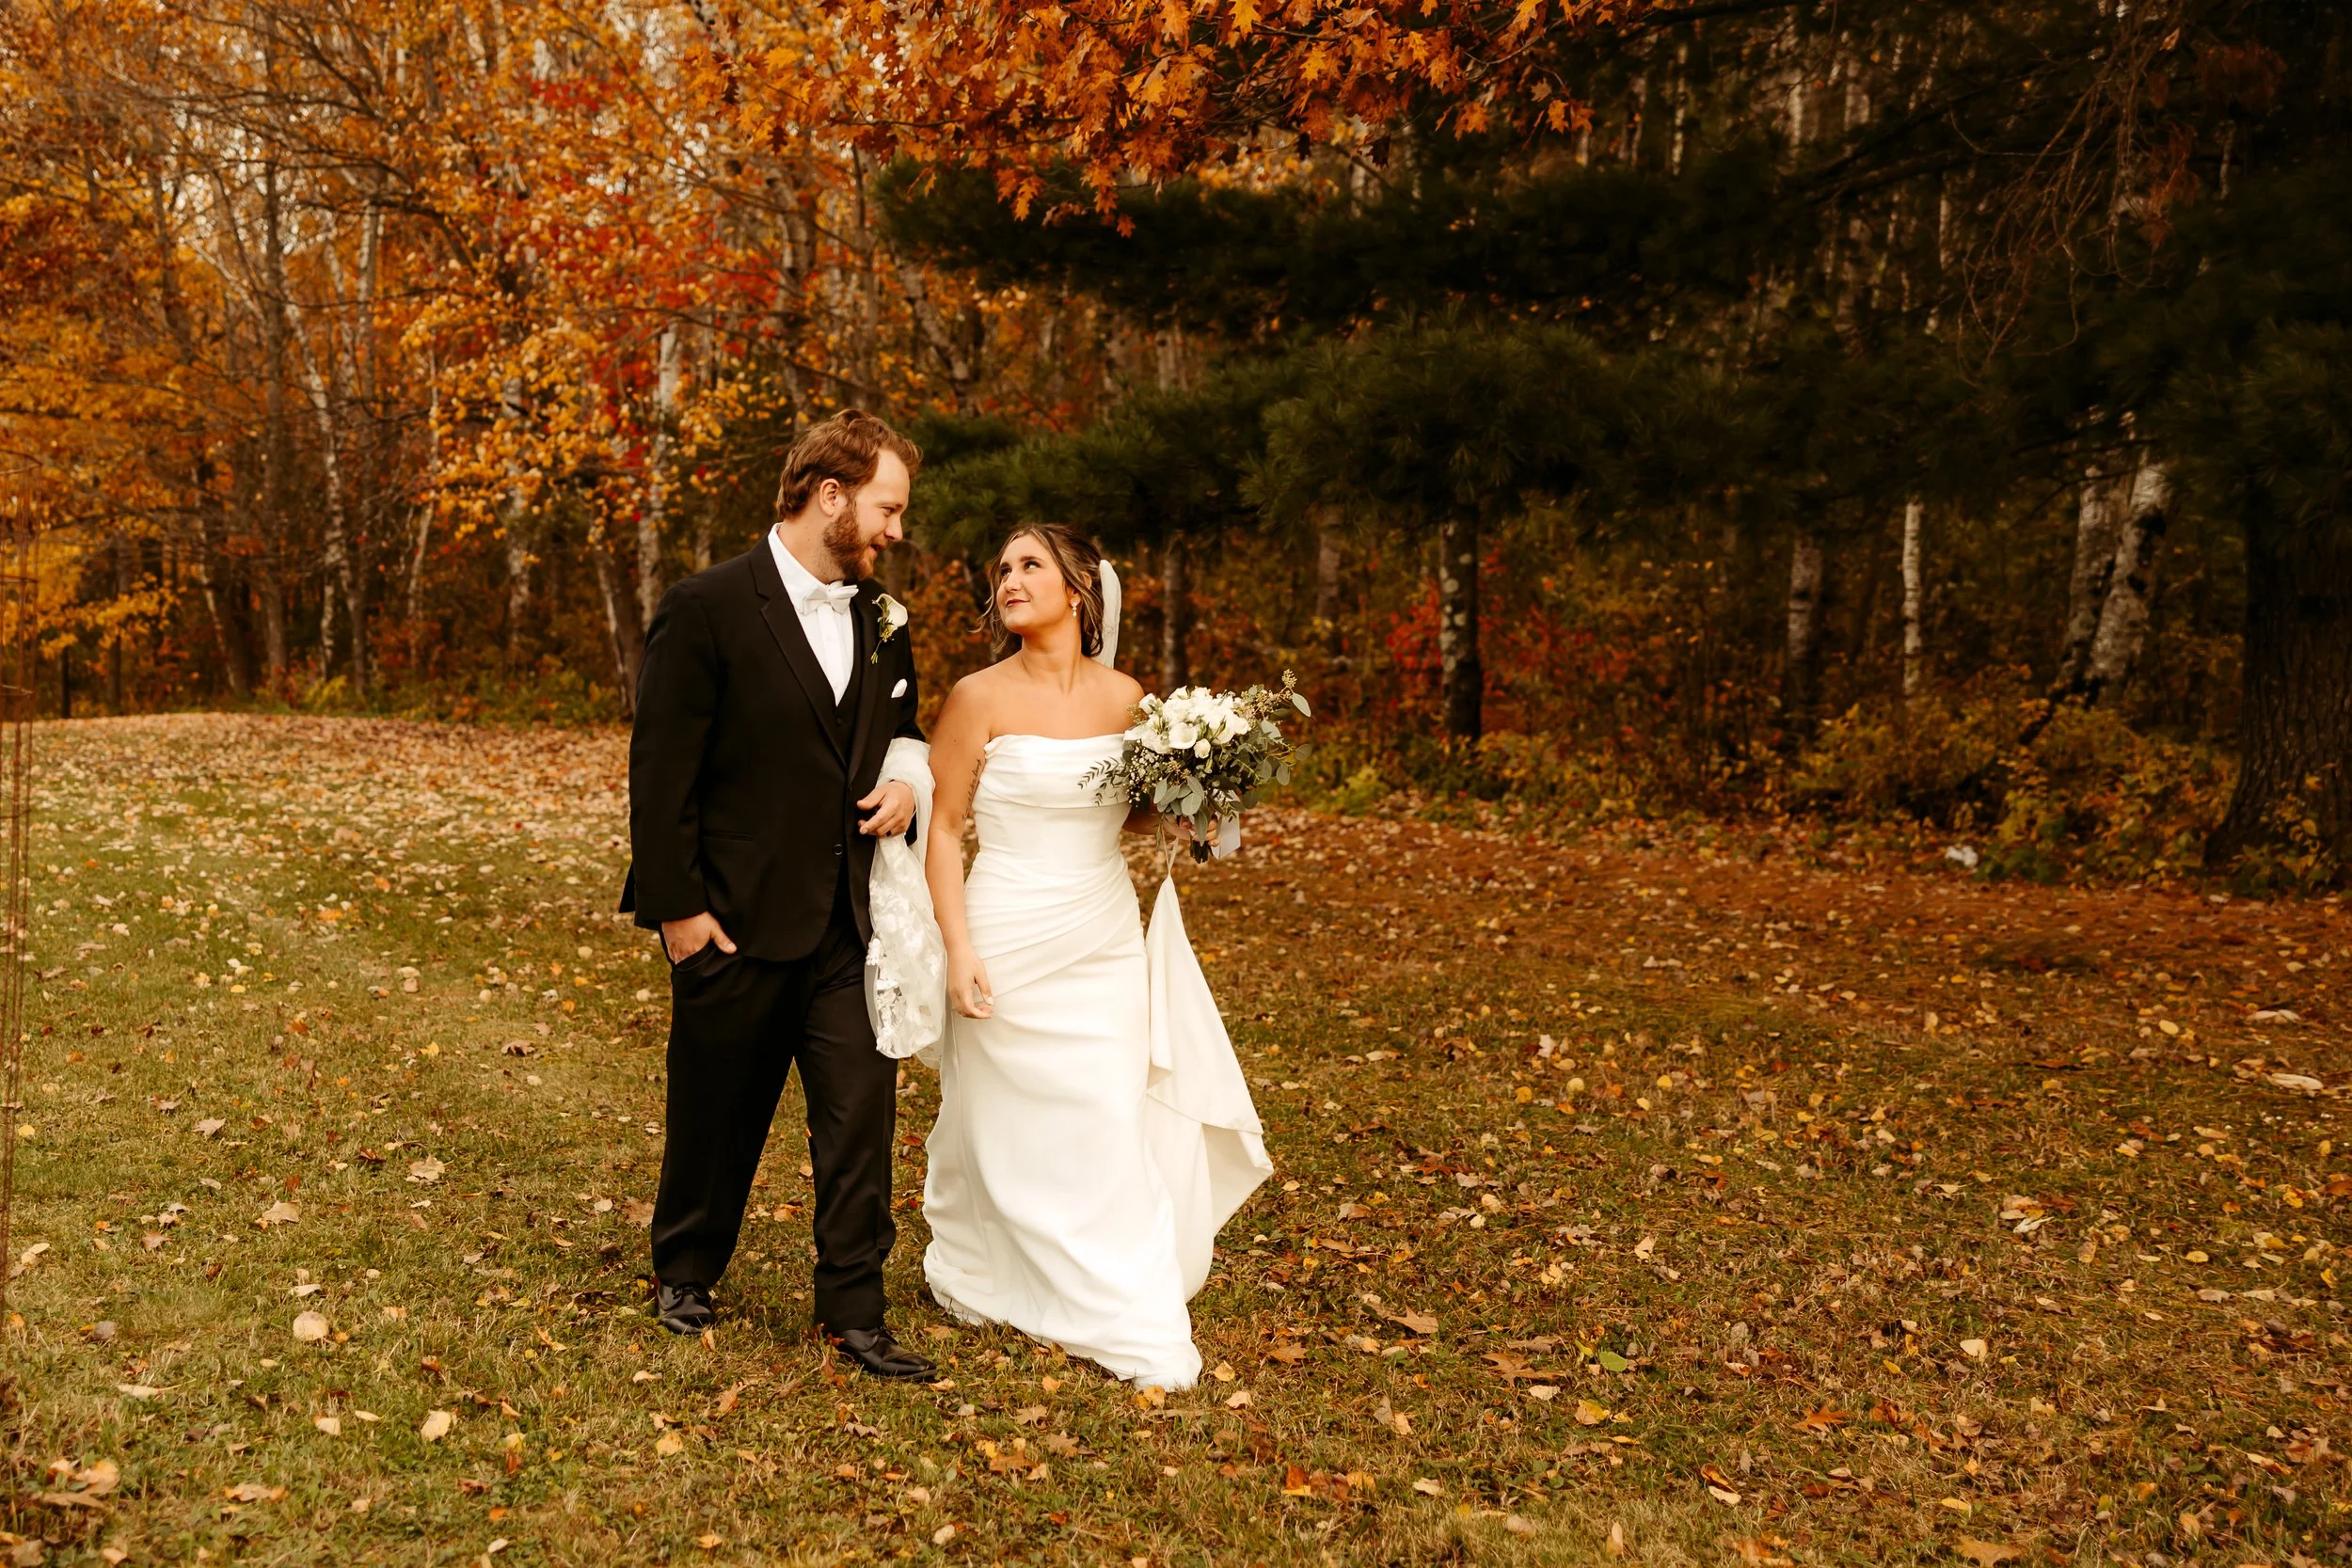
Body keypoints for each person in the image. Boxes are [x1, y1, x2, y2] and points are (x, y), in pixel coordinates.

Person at [620, 408, 938, 1382]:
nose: (894, 530)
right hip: (733, 918)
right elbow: (660, 771)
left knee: (859, 1117)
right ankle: (686, 1268)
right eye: (886, 507)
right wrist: (678, 911)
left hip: (848, 922)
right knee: (716, 1109)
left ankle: (855, 1309)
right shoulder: (707, 605)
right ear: (830, 494)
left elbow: (905, 728)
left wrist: (910, 781)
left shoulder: (882, 616)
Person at [917, 524, 1271, 1389]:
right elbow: (946, 829)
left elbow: (1133, 811)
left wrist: (1196, 801)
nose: (1009, 579)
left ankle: (1117, 1288)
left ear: (1078, 590)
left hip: (1102, 932)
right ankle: (1004, 1266)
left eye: (1030, 565)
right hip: (1005, 929)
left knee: (1107, 1112)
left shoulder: (1128, 698)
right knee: (1006, 1121)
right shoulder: (976, 696)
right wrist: (957, 948)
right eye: (1001, 567)